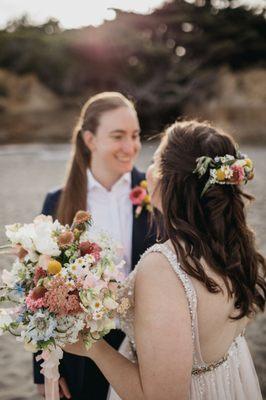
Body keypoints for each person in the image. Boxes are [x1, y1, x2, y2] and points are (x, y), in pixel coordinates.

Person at [64, 120, 265, 400]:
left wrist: (93, 349)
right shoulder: (232, 246)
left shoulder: (163, 270)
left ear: (170, 182)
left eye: (156, 160)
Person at [33, 92, 156, 400]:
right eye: (118, 136)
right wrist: (47, 370)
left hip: (147, 346)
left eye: (135, 135)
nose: (131, 147)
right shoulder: (58, 201)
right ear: (91, 140)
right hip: (81, 353)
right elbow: (39, 290)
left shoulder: (157, 194)